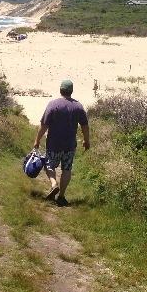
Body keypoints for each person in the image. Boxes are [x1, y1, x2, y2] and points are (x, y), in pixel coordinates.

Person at [33, 79, 90, 207]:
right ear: (71, 91)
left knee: (49, 165)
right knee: (67, 169)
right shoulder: (78, 106)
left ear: (60, 90)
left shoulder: (53, 104)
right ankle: (62, 196)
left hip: (54, 143)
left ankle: (53, 184)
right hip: (69, 145)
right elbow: (85, 126)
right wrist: (87, 140)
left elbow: (44, 125)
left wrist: (37, 139)